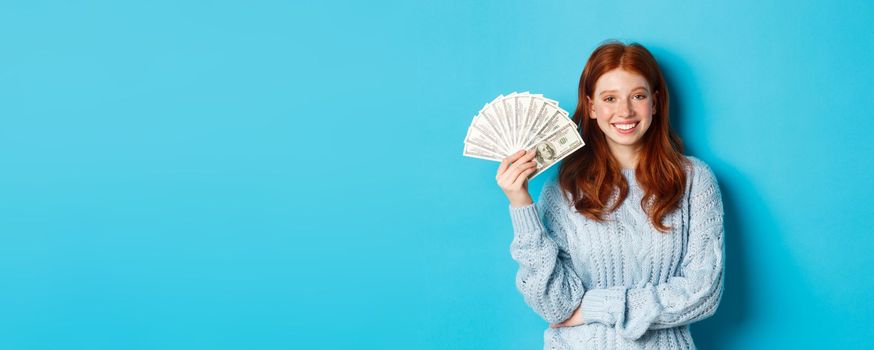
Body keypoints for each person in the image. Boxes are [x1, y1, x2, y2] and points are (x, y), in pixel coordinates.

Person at [496, 40, 725, 349]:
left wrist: (595, 307)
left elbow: (702, 293)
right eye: (610, 98)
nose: (625, 111)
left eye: (638, 96)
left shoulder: (694, 181)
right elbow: (555, 307)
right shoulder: (564, 188)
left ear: (655, 103)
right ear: (591, 107)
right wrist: (520, 203)